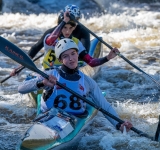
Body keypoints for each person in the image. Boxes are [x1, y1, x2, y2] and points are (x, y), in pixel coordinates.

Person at [18, 38, 132, 132]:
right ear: (60, 59)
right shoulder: (50, 75)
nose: (71, 59)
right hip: (48, 118)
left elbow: (104, 106)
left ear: (78, 54)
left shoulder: (87, 82)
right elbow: (21, 88)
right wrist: (42, 83)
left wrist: (119, 125)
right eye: (66, 56)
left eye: (73, 54)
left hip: (73, 120)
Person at [10, 4, 120, 74]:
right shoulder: (50, 36)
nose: (67, 31)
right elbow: (36, 48)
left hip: (69, 72)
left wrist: (108, 57)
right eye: (64, 27)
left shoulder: (79, 38)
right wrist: (20, 67)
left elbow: (87, 59)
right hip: (49, 73)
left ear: (76, 25)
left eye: (71, 27)